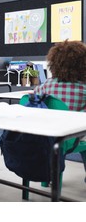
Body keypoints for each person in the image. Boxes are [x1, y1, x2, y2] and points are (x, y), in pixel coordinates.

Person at [33, 40, 86, 183]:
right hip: (72, 138)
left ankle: (46, 180)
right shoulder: (83, 89)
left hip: (47, 136)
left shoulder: (46, 86)